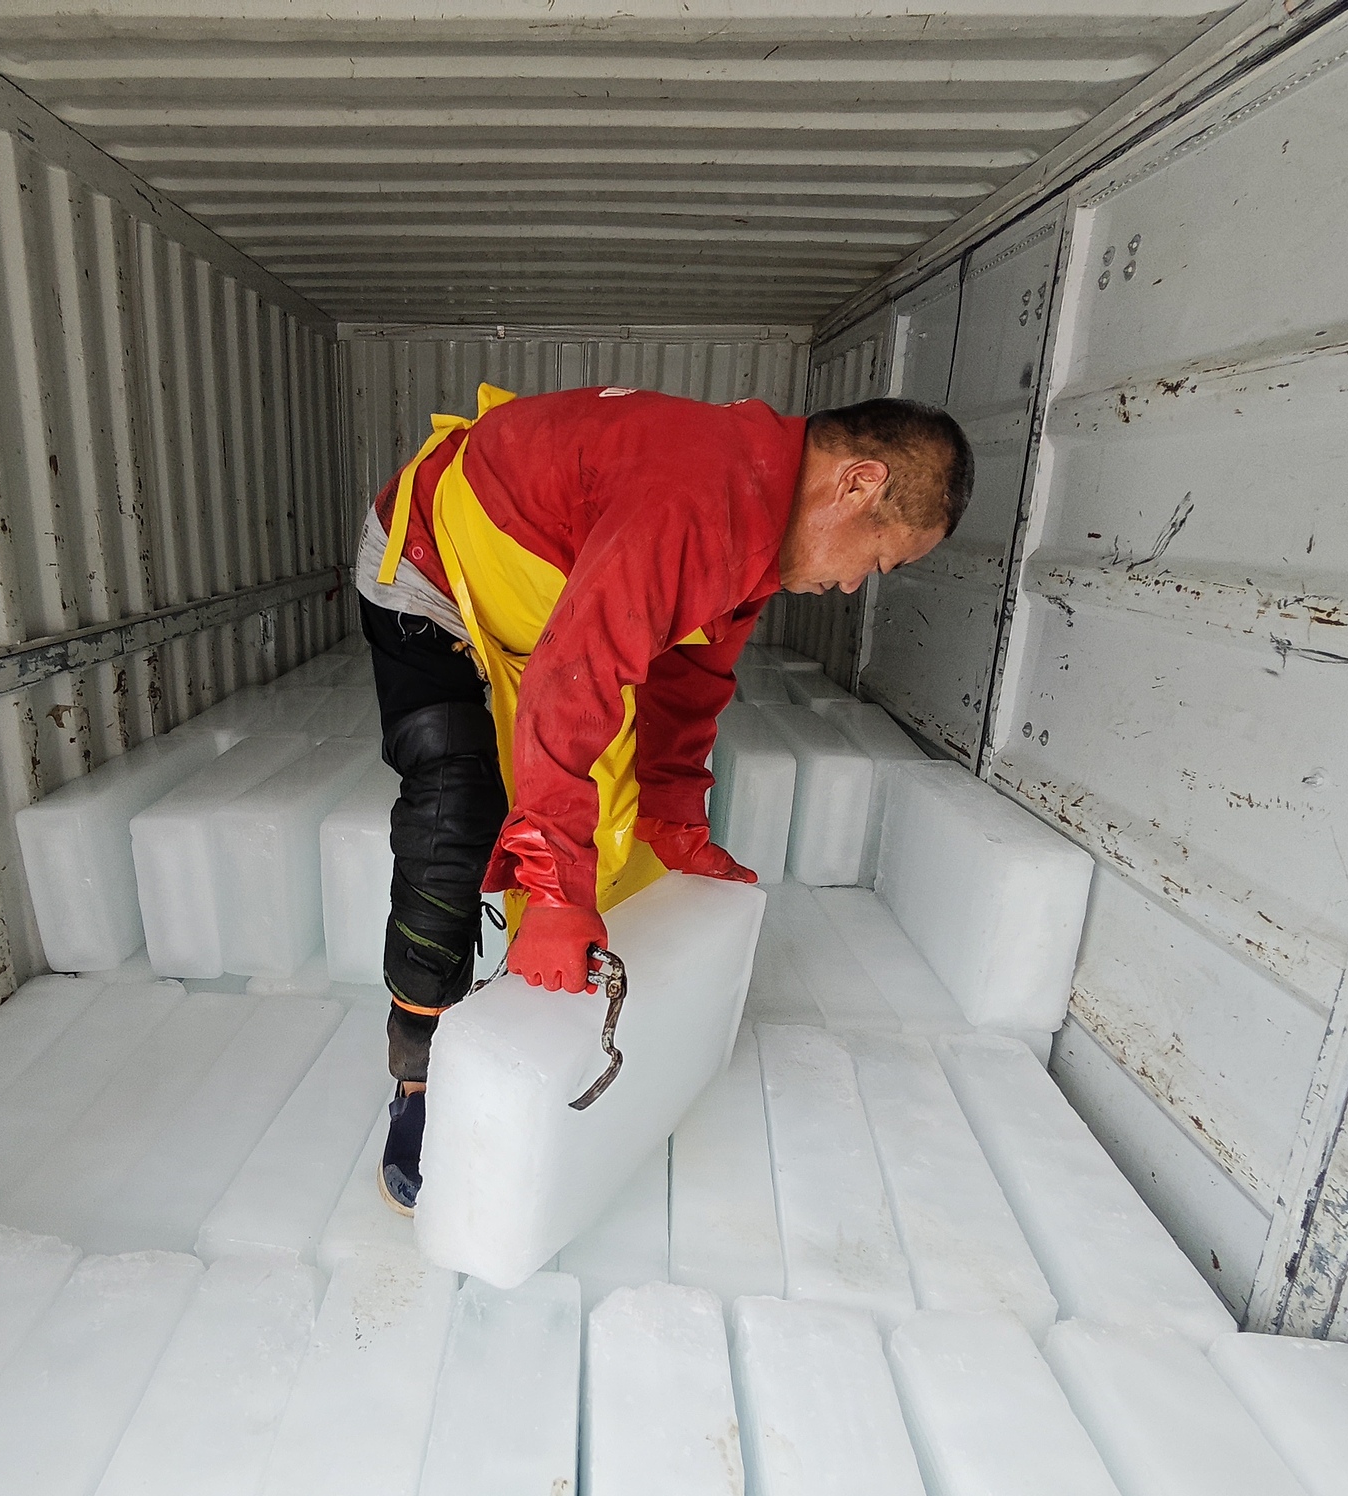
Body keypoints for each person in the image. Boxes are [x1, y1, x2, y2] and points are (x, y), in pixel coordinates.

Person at [358, 385, 974, 1212]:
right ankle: (419, 1073)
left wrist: (671, 818)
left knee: (613, 845)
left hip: (546, 613)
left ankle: (526, 1047)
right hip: (431, 566)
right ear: (857, 484)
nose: (860, 584)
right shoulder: (698, 497)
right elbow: (571, 685)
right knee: (456, 805)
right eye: (881, 558)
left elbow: (687, 680)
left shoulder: (758, 533)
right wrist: (550, 893)